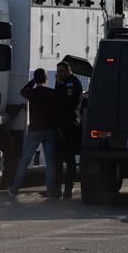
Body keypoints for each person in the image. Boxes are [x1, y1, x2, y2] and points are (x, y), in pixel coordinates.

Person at [8, 69, 59, 199]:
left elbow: (22, 90)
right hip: (49, 129)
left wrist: (32, 81)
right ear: (46, 79)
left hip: (35, 130)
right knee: (50, 162)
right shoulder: (52, 93)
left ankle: (14, 189)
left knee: (25, 161)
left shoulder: (32, 93)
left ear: (36, 80)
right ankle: (51, 190)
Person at [54, 61, 83, 199]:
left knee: (70, 159)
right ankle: (57, 188)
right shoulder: (61, 83)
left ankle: (68, 188)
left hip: (70, 125)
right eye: (58, 72)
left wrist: (59, 86)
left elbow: (68, 103)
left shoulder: (73, 83)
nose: (59, 74)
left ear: (68, 70)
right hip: (60, 125)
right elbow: (56, 101)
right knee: (58, 159)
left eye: (61, 72)